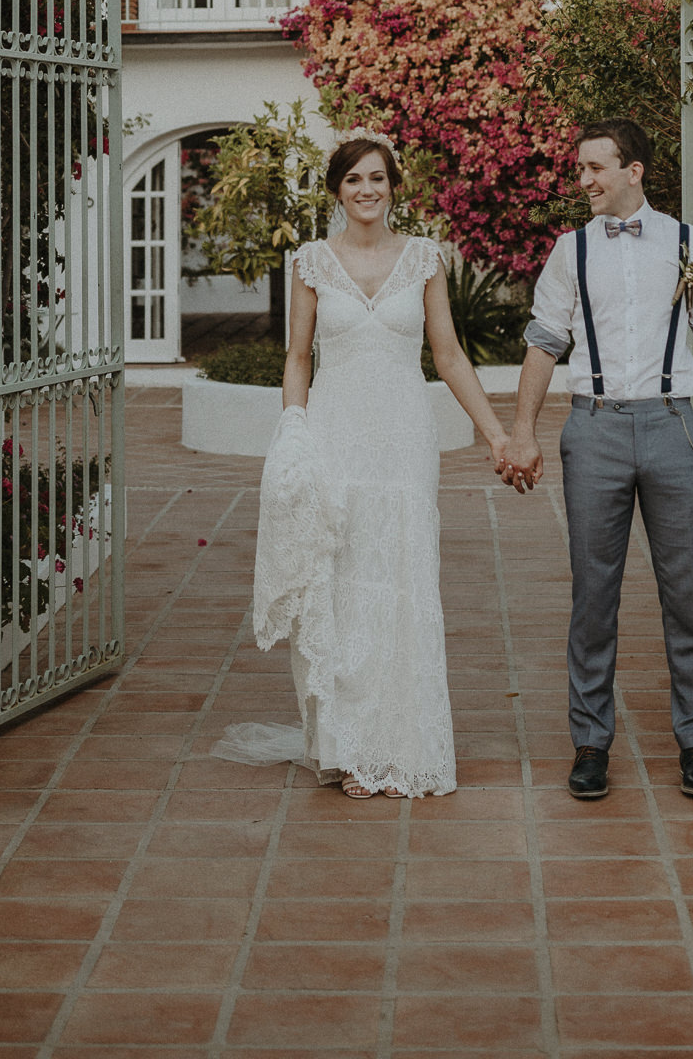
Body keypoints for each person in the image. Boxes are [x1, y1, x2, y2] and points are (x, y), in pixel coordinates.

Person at [214, 129, 510, 798]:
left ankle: (404, 747)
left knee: (403, 580)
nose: (367, 190)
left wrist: (494, 434)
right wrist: (293, 428)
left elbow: (451, 356)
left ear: (393, 186)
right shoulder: (311, 262)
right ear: (337, 191)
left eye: (377, 178)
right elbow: (296, 358)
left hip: (405, 441)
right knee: (341, 586)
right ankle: (349, 748)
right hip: (336, 437)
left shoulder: (425, 260)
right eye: (354, 180)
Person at [500, 119, 693, 803]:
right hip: (594, 431)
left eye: (596, 169)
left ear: (634, 171)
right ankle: (591, 743)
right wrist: (524, 430)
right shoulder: (568, 252)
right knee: (593, 596)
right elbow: (544, 343)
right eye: (581, 169)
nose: (584, 181)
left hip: (671, 428)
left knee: (685, 594)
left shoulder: (688, 243)